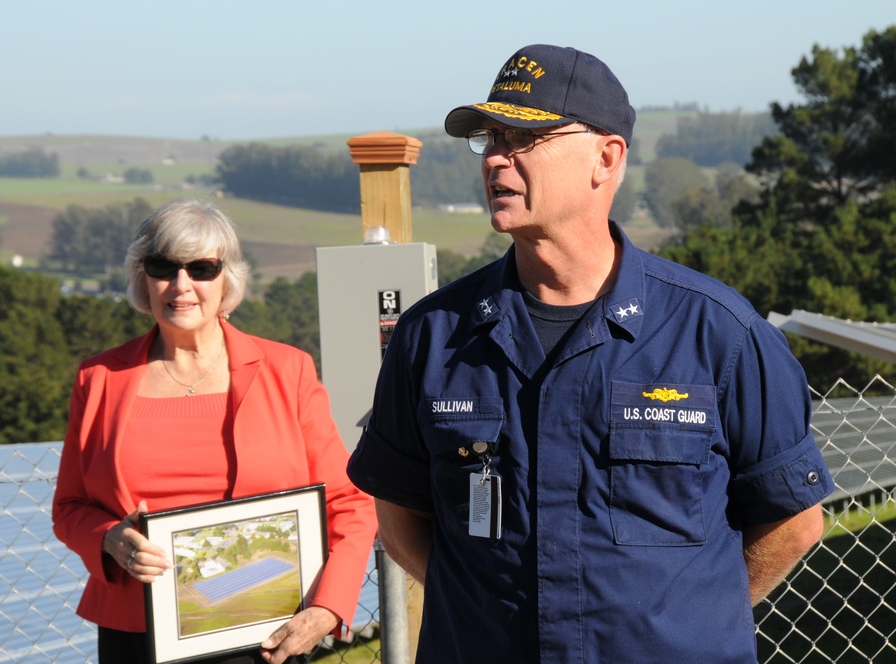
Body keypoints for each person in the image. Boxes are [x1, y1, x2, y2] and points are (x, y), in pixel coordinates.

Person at [346, 44, 833, 663]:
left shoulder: (719, 334)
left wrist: (686, 620)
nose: (496, 157)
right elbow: (400, 516)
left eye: (524, 138)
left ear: (606, 158)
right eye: (491, 138)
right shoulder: (434, 336)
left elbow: (793, 520)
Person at [53, 199, 377, 664]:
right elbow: (69, 508)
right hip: (134, 634)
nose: (181, 285)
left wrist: (328, 607)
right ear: (142, 277)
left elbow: (350, 503)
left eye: (202, 268)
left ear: (227, 279)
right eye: (163, 266)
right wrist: (108, 538)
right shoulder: (98, 378)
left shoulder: (288, 371)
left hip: (263, 635)